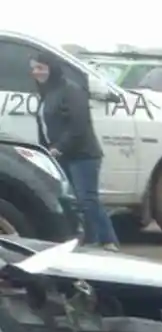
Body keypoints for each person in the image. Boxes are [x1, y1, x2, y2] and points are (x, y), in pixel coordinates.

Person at [29, 55, 119, 250]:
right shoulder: (47, 92)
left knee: (87, 199)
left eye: (41, 68)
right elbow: (44, 124)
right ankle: (90, 239)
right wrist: (45, 148)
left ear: (52, 69)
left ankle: (108, 240)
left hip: (83, 154)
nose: (36, 72)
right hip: (62, 155)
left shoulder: (70, 90)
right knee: (73, 200)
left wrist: (59, 147)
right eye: (34, 68)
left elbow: (79, 124)